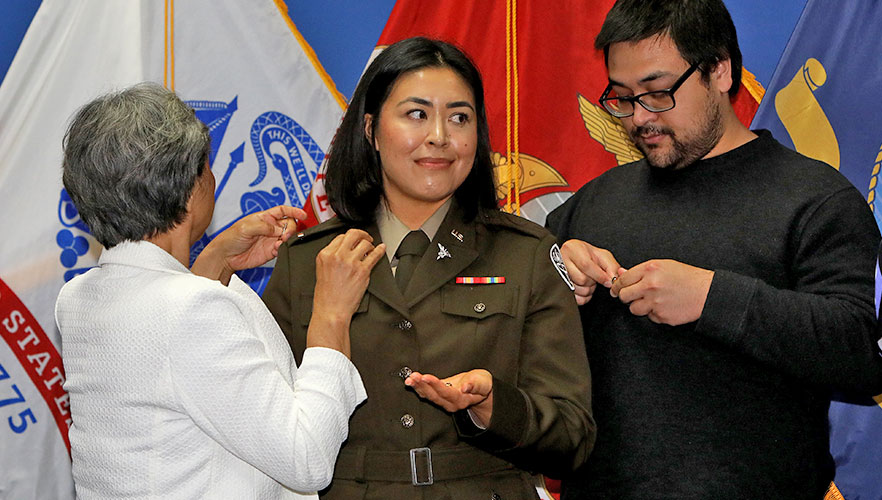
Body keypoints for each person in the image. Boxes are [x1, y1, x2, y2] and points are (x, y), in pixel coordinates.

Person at [545, 0, 882, 498]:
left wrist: (710, 298)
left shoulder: (816, 199)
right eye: (621, 97)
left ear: (719, 71)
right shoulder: (591, 204)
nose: (638, 118)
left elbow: (861, 353)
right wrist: (551, 279)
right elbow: (515, 344)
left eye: (658, 93)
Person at [262, 37, 595, 499]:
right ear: (371, 130)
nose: (439, 135)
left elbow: (572, 439)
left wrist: (493, 406)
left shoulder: (527, 254)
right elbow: (270, 428)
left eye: (460, 117)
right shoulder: (308, 260)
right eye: (416, 114)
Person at [55, 82, 386, 499]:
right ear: (190, 189)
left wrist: (214, 263)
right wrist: (331, 316)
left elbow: (165, 365)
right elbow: (307, 459)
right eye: (205, 167)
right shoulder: (191, 313)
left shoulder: (78, 299)